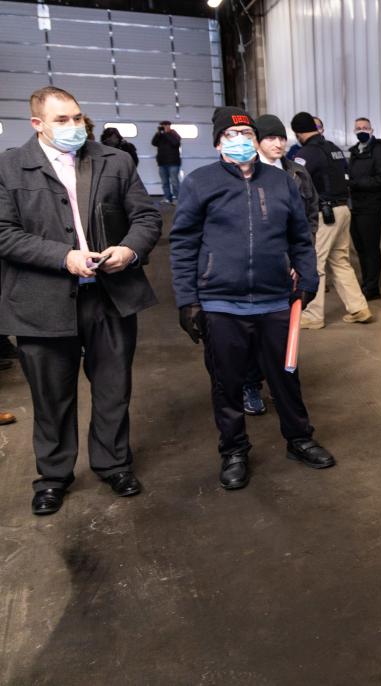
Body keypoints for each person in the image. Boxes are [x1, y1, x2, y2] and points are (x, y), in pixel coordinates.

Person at [0, 86, 162, 515]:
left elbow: (146, 216)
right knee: (52, 396)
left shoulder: (114, 160)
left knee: (113, 388)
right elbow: (4, 233)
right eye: (61, 120)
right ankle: (53, 476)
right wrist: (63, 257)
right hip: (41, 303)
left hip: (109, 298)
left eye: (77, 118)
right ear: (37, 124)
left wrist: (128, 250)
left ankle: (113, 463)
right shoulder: (10, 167)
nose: (74, 127)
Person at [169, 106, 333, 491]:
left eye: (245, 136)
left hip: (275, 300)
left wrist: (307, 280)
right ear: (218, 143)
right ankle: (234, 451)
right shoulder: (199, 183)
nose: (239, 142)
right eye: (230, 136)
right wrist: (187, 299)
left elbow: (299, 236)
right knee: (227, 384)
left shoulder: (281, 183)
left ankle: (299, 439)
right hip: (221, 303)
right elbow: (183, 244)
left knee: (286, 378)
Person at [238, 112, 320, 416]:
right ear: (257, 142)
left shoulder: (297, 173)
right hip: (258, 268)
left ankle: (283, 386)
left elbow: (309, 217)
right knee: (252, 333)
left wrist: (300, 259)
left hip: (291, 267)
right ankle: (251, 385)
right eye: (271, 138)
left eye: (282, 137)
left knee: (283, 333)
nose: (278, 143)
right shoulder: (246, 173)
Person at [290, 111, 372, 328]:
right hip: (344, 210)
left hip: (325, 215)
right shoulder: (334, 148)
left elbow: (296, 184)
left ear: (297, 133)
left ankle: (313, 315)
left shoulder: (304, 154)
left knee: (315, 263)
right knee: (340, 260)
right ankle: (359, 308)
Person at [347, 117, 381, 300]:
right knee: (360, 248)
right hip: (355, 206)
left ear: (372, 130)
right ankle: (366, 283)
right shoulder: (355, 152)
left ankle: (373, 288)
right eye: (358, 128)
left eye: (365, 127)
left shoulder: (380, 152)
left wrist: (356, 183)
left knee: (371, 247)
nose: (361, 130)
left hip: (371, 207)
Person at [151, 120, 181, 203]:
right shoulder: (160, 135)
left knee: (174, 182)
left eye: (165, 125)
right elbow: (153, 143)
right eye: (162, 125)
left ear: (169, 126)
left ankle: (179, 199)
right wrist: (158, 133)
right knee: (165, 182)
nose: (163, 127)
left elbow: (176, 143)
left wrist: (167, 133)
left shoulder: (174, 134)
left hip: (173, 163)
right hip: (162, 163)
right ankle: (168, 198)